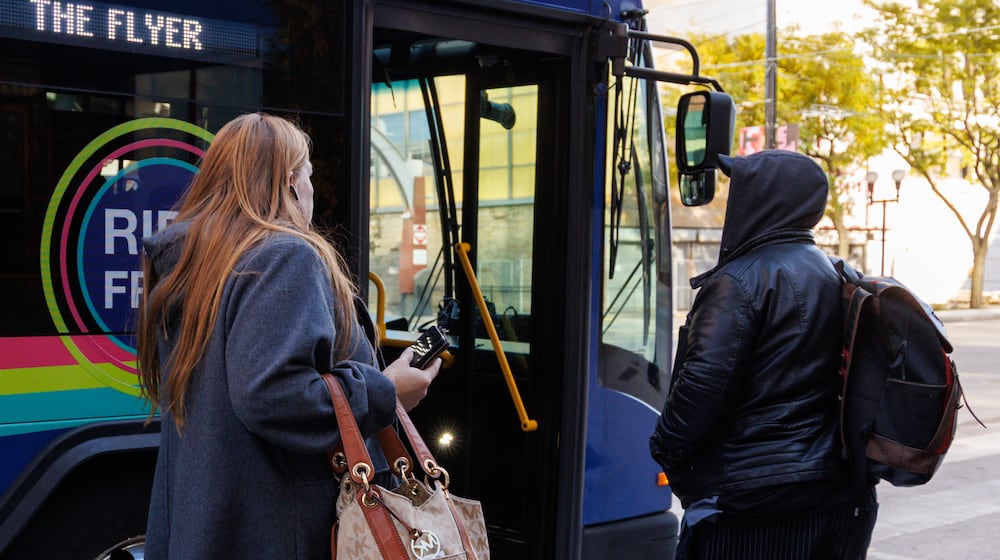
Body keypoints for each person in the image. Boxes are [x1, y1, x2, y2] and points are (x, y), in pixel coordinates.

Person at [136, 112, 442, 559]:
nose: (313, 188)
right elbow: (272, 394)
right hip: (285, 533)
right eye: (310, 175)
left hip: (212, 529)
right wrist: (387, 390)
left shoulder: (193, 264)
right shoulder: (284, 256)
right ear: (289, 181)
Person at [649, 150, 877, 559]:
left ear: (765, 198)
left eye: (742, 188)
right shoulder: (838, 272)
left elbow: (700, 388)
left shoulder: (739, 280)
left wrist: (665, 450)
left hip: (752, 502)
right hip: (837, 491)